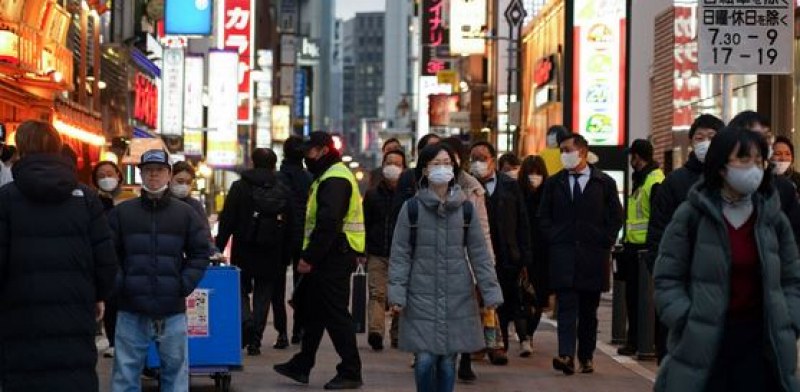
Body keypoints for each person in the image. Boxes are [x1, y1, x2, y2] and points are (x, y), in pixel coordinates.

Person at [653, 127, 800, 392]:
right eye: (743, 160)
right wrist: (686, 319)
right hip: (704, 341)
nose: (753, 169)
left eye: (758, 161)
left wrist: (789, 320)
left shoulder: (772, 218)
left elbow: (792, 278)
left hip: (761, 342)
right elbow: (667, 278)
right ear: (721, 167)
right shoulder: (692, 214)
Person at [0, 121, 117, 392]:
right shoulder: (86, 198)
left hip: (20, 314)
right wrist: (99, 294)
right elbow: (106, 260)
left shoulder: (6, 198)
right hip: (75, 311)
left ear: (22, 150)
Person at [388, 143, 503, 392]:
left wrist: (490, 292)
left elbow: (479, 255)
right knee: (426, 359)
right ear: (425, 170)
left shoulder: (465, 210)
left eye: (447, 164)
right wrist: (396, 293)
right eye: (436, 164)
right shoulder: (412, 210)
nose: (443, 168)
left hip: (457, 294)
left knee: (448, 361)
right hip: (420, 293)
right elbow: (400, 255)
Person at [109, 149, 210, 392]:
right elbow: (107, 255)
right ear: (140, 174)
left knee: (175, 376)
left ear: (169, 175)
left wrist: (183, 284)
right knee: (125, 376)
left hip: (172, 309)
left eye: (160, 170)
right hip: (130, 308)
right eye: (148, 170)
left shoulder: (185, 213)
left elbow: (200, 252)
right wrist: (121, 284)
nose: (154, 175)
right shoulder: (122, 212)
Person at [273, 131, 364, 390]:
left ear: (324, 150)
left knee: (335, 314)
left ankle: (350, 370)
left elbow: (328, 223)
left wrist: (309, 258)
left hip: (333, 256)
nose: (305, 156)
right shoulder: (327, 175)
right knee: (314, 311)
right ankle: (302, 364)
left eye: (310, 151)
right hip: (330, 254)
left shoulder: (335, 178)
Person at [538, 133, 623, 375]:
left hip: (593, 257)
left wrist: (605, 239)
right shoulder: (555, 183)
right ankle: (566, 355)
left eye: (567, 150)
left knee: (588, 311)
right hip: (563, 254)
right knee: (566, 307)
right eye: (562, 150)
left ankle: (586, 356)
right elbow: (544, 217)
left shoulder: (604, 182)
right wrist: (554, 238)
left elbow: (616, 217)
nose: (564, 155)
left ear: (582, 152)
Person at [646, 113, 723, 362]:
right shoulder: (675, 182)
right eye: (699, 138)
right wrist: (662, 272)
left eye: (712, 137)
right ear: (690, 143)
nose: (705, 143)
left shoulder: (732, 181)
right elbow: (657, 230)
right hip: (682, 279)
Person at [215, 148, 292, 356]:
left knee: (240, 288)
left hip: (244, 247)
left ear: (252, 162)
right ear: (274, 164)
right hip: (272, 251)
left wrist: (218, 247)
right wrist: (288, 254)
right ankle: (255, 339)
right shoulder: (283, 189)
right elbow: (291, 225)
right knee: (264, 294)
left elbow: (228, 219)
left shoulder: (240, 187)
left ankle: (245, 320)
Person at [439, 136, 500, 379]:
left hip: (465, 259)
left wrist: (487, 265)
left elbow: (483, 229)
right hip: (436, 258)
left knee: (466, 312)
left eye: (452, 158)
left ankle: (464, 360)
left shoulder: (473, 188)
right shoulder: (428, 184)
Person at [469, 141, 532, 360]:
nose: (477, 163)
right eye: (474, 158)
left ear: (493, 161)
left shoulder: (509, 185)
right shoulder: (466, 186)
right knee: (479, 299)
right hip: (478, 253)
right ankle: (481, 345)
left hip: (507, 254)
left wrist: (524, 255)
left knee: (503, 300)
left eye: (482, 158)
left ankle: (499, 342)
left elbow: (522, 220)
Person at [618, 140, 664, 356]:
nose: (630, 160)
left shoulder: (654, 181)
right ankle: (635, 340)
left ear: (638, 157)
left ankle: (645, 341)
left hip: (645, 250)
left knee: (644, 299)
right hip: (633, 249)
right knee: (633, 297)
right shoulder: (641, 179)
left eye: (632, 156)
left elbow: (657, 218)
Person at [363, 150, 407, 351]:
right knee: (377, 293)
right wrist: (362, 251)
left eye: (397, 163)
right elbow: (365, 223)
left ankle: (398, 335)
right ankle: (376, 332)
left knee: (400, 297)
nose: (393, 167)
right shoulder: (372, 195)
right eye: (389, 162)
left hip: (401, 254)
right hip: (377, 251)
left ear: (404, 168)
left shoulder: (409, 195)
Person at [279, 136, 313, 346]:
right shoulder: (309, 177)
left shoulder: (278, 177)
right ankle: (298, 330)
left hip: (281, 234)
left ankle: (282, 332)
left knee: (276, 285)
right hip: (303, 234)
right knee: (302, 283)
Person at [91, 160, 126, 359]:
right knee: (110, 298)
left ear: (118, 175)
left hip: (126, 255)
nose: (106, 179)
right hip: (104, 255)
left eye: (109, 174)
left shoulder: (129, 198)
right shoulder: (92, 201)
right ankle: (113, 340)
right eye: (101, 176)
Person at [517, 155, 551, 348]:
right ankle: (523, 337)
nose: (534, 177)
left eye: (538, 173)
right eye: (530, 173)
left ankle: (529, 334)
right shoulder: (518, 194)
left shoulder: (549, 193)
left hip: (542, 254)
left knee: (538, 298)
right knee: (520, 297)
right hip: (521, 252)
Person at [398, 133, 442, 201]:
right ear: (420, 152)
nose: (436, 151)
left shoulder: (447, 175)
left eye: (439, 147)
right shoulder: (408, 176)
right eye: (432, 147)